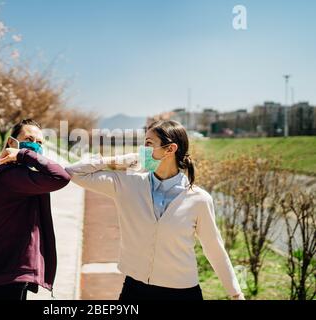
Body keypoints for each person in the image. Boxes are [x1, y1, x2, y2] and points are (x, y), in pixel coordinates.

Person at [65, 120, 245, 300]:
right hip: (135, 290)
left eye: (149, 144)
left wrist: (235, 294)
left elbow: (214, 248)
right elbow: (73, 172)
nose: (142, 150)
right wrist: (118, 160)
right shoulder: (128, 184)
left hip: (182, 292)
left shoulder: (199, 199)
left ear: (170, 149)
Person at [0, 119, 71, 300]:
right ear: (11, 143)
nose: (34, 146)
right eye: (29, 139)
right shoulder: (12, 176)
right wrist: (24, 155)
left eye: (39, 143)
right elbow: (61, 177)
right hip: (3, 277)